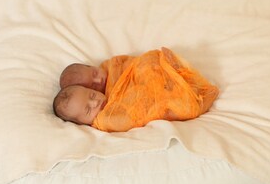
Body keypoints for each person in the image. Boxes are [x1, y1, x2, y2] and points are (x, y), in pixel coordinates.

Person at [53, 47, 219, 132]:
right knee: (175, 105)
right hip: (146, 98)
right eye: (88, 109)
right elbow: (134, 114)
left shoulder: (108, 67)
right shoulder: (105, 120)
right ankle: (185, 92)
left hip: (141, 78)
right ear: (82, 124)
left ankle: (168, 70)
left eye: (92, 95)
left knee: (145, 65)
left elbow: (126, 65)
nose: (96, 101)